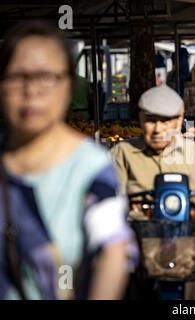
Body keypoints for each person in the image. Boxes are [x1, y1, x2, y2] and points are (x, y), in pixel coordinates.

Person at [0, 21, 136, 300]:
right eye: (17, 77)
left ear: (69, 86)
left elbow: (113, 247)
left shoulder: (90, 166)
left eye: (47, 77)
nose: (32, 90)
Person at [110, 84, 195, 299]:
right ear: (139, 119)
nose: (158, 129)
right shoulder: (122, 154)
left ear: (179, 119)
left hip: (188, 251)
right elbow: (105, 205)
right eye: (150, 120)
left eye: (166, 121)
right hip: (137, 251)